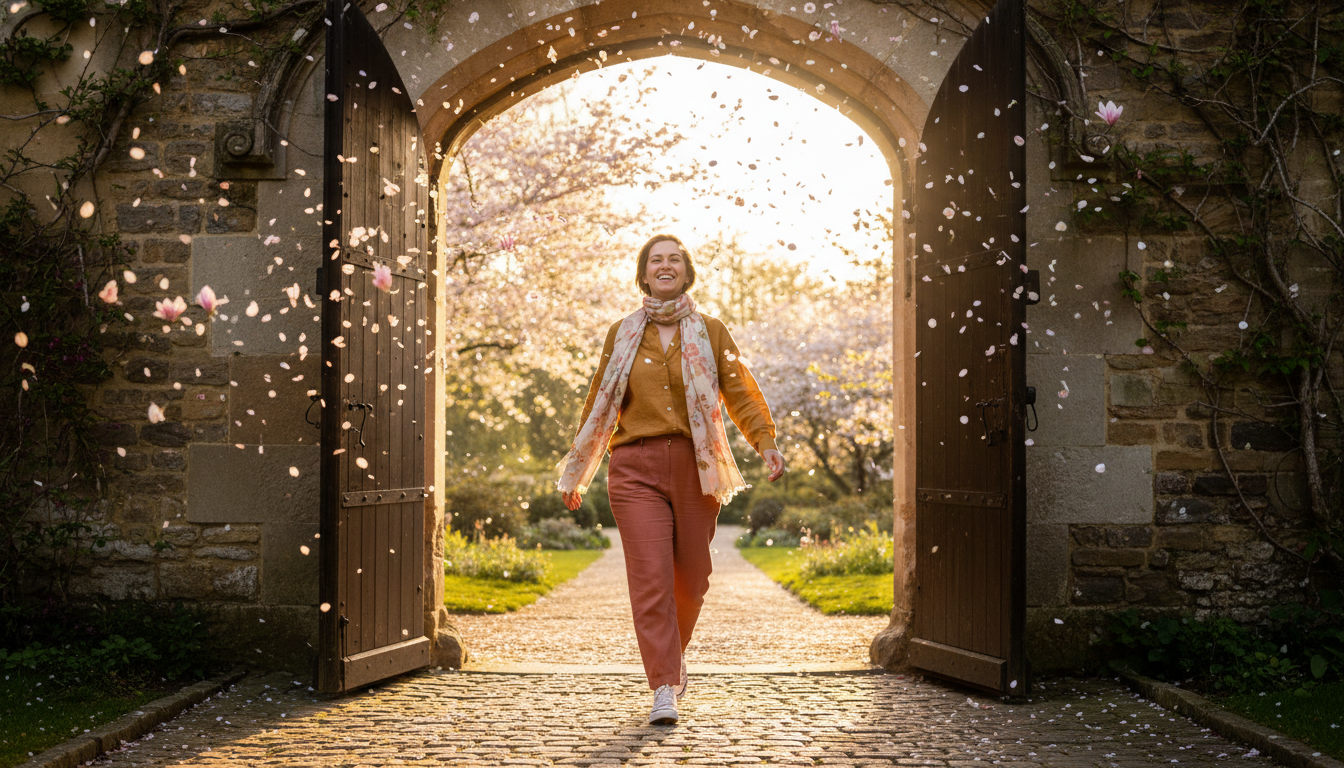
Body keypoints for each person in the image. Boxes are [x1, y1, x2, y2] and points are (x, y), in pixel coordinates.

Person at [557, 233, 786, 725]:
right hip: (633, 468)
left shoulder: (712, 331)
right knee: (651, 579)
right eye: (656, 260)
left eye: (674, 259)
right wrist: (577, 468)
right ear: (643, 273)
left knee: (693, 578)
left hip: (696, 466)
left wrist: (765, 441)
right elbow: (599, 401)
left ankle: (672, 655)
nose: (665, 266)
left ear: (686, 271)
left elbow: (741, 392)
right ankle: (663, 684)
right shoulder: (621, 333)